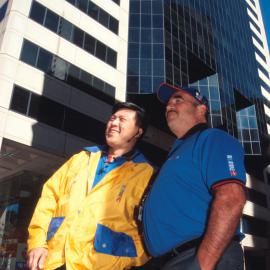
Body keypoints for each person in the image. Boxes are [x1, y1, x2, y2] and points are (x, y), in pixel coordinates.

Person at [27, 102, 154, 270]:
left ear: (138, 131)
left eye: (122, 120)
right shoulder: (81, 158)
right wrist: (37, 243)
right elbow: (49, 198)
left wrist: (118, 262)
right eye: (112, 118)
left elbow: (152, 233)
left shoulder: (146, 174)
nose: (114, 123)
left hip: (99, 265)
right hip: (52, 261)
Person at [142, 83, 247, 270]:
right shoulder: (175, 153)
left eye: (178, 99)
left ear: (201, 109)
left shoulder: (213, 138)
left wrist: (202, 265)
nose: (168, 105)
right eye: (168, 102)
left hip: (199, 257)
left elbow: (232, 199)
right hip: (167, 261)